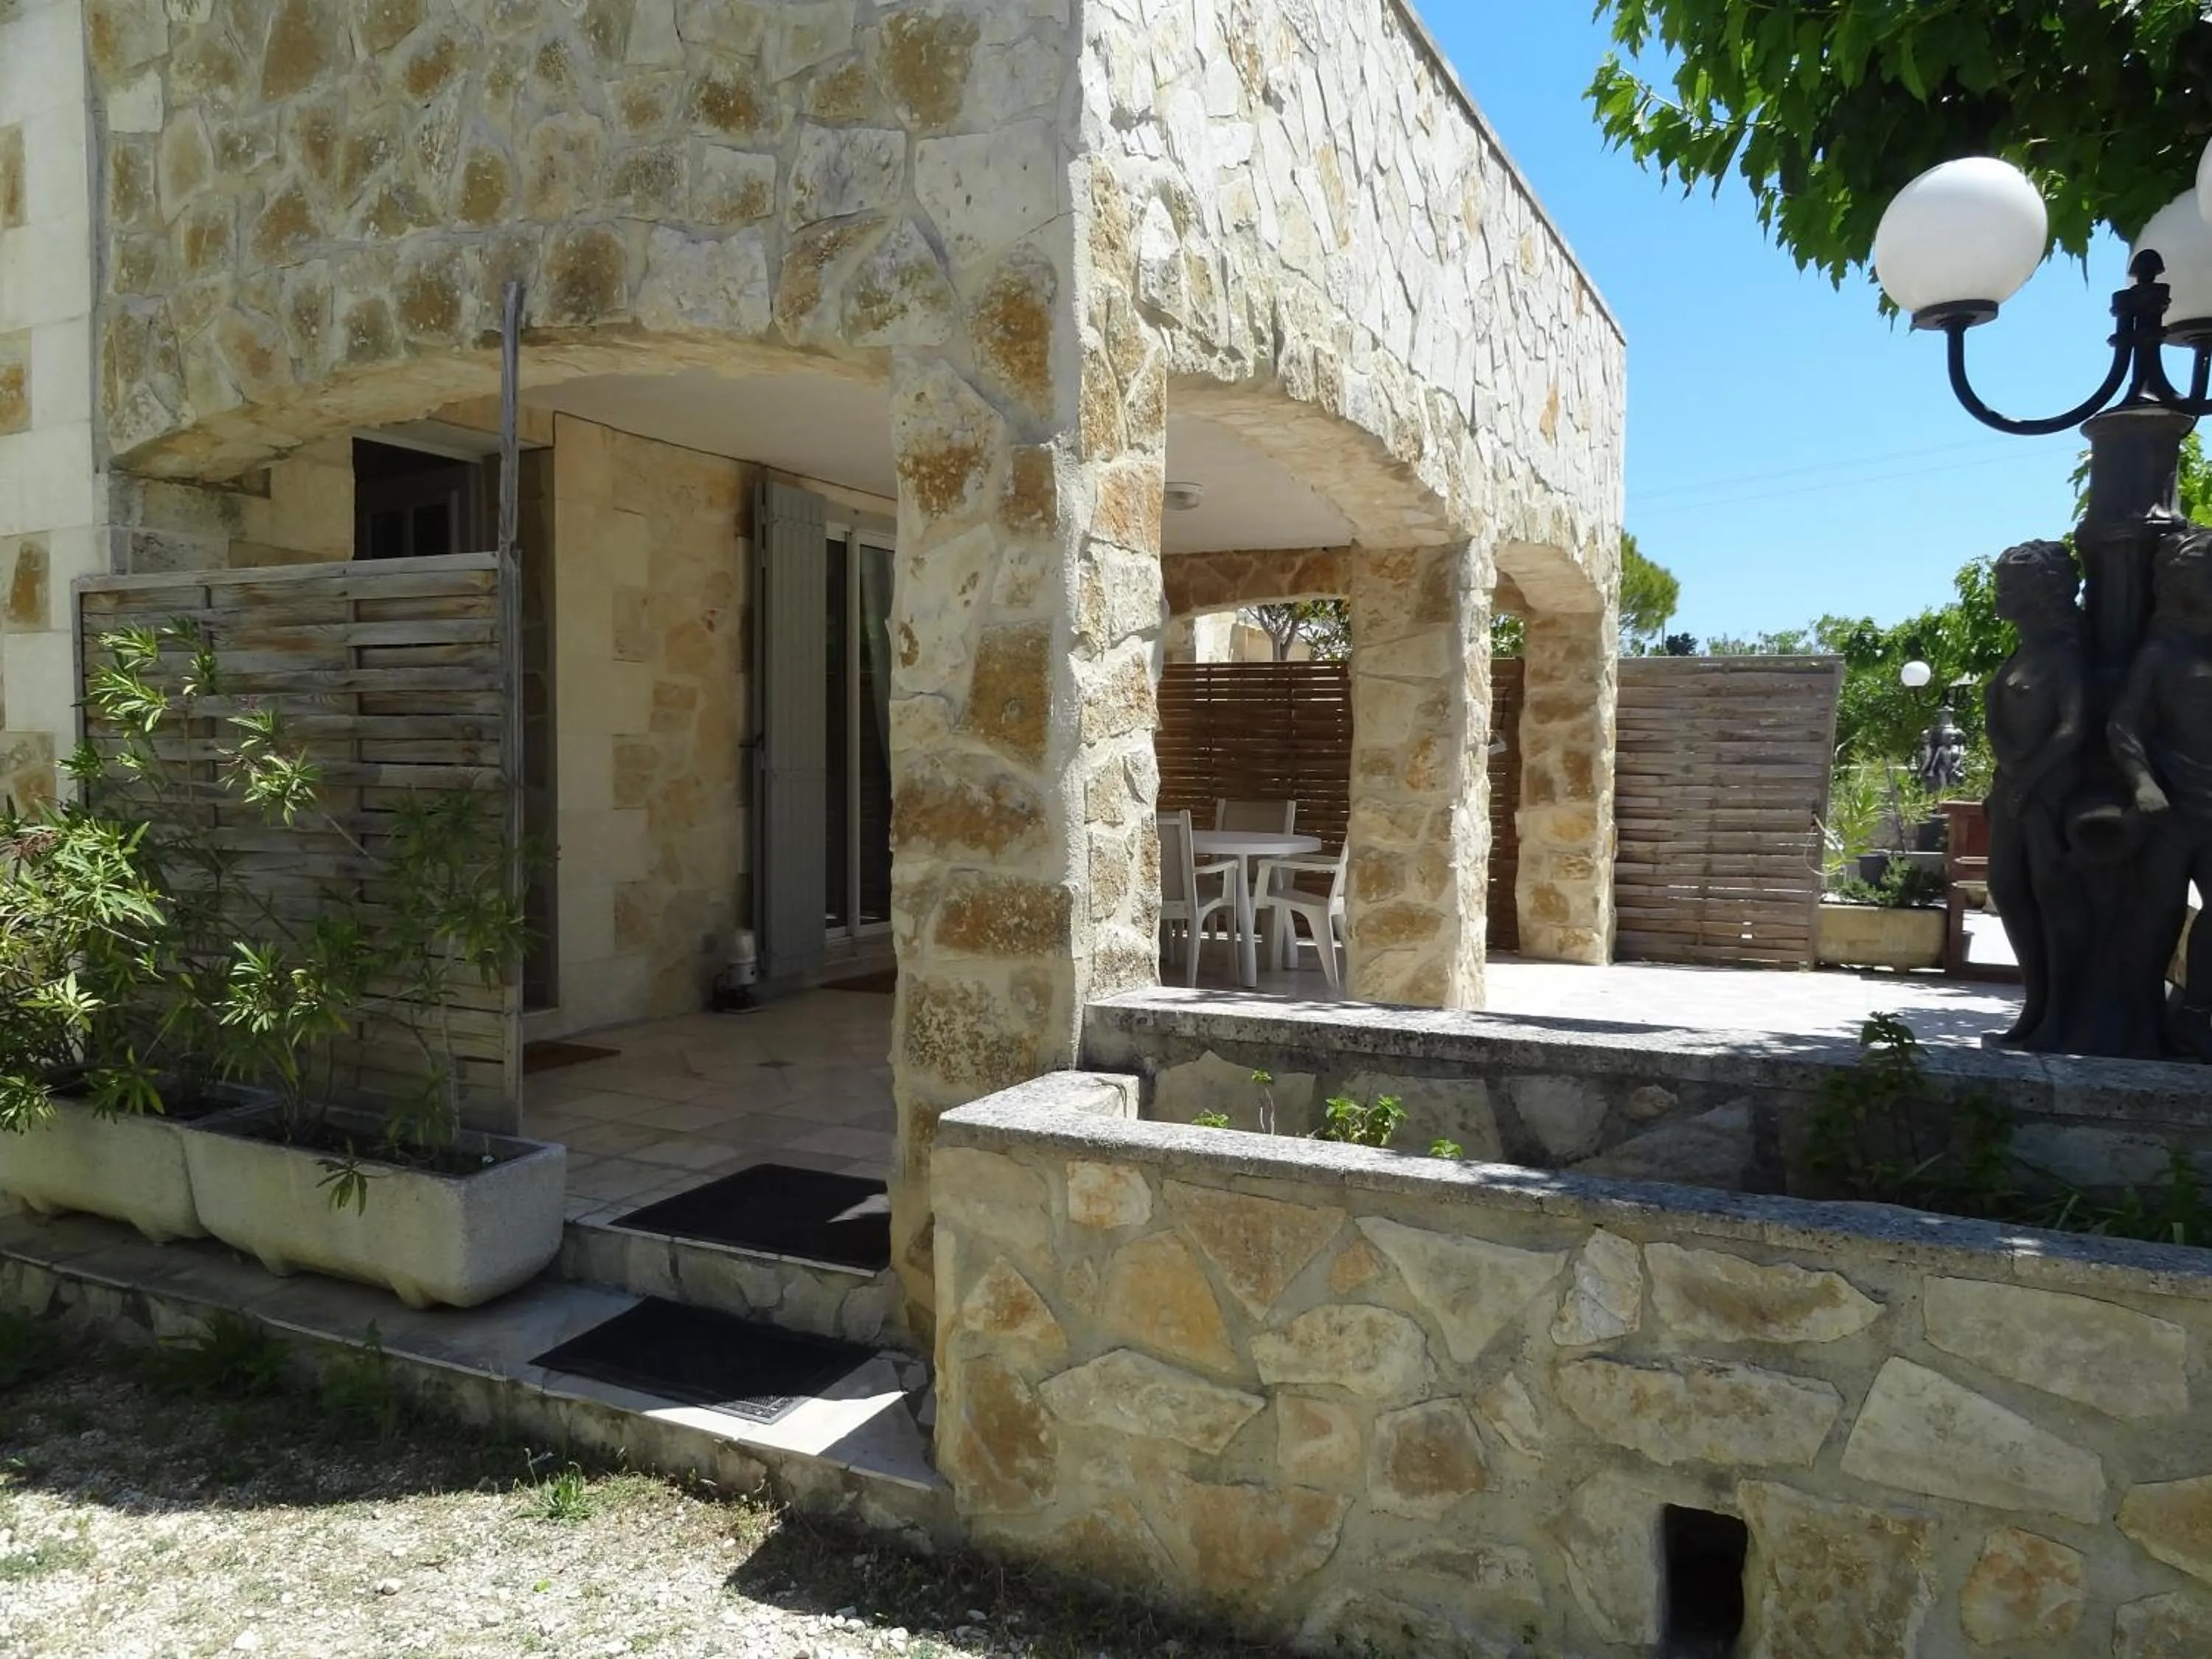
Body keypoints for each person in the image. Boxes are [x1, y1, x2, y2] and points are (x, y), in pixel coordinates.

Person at [1983, 540, 2090, 1048]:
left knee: (2050, 891)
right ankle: (2036, 1000)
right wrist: (2008, 773)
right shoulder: (2020, 653)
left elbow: (2072, 727)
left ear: (2040, 591)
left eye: (2010, 585)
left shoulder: (2063, 655)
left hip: (2048, 790)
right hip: (2012, 788)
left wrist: (2028, 779)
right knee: (2007, 888)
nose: (2000, 593)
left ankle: (2058, 1011)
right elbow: (1999, 720)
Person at [2110, 526, 2212, 1058]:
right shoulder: (2162, 651)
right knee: (2160, 911)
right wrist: (2142, 781)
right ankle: (2139, 1010)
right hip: (2172, 804)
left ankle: (2196, 1013)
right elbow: (2123, 724)